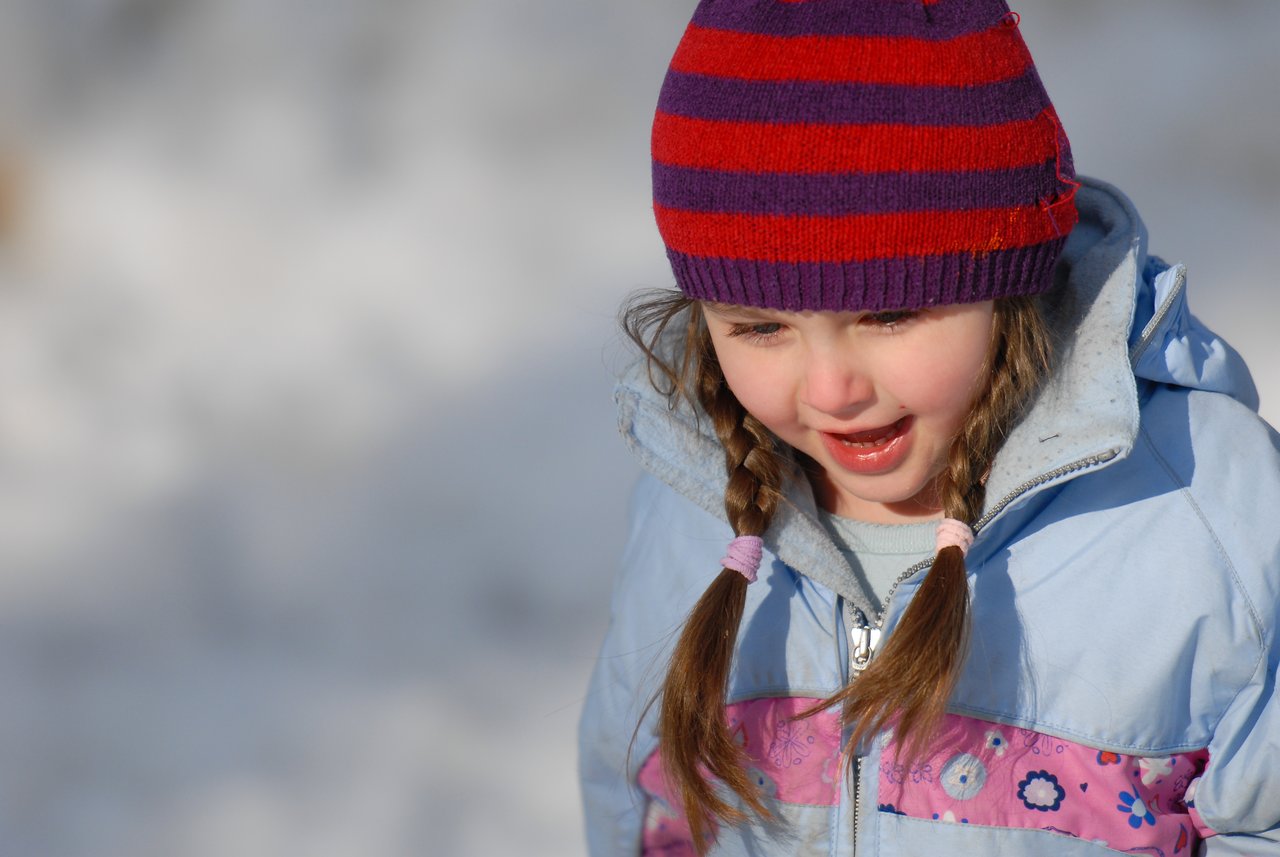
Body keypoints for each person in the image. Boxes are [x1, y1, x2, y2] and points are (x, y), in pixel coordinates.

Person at [578, 0, 1280, 854]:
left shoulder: (1209, 513)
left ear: (1010, 280)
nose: (833, 389)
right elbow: (636, 800)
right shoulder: (689, 511)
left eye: (892, 315)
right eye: (760, 328)